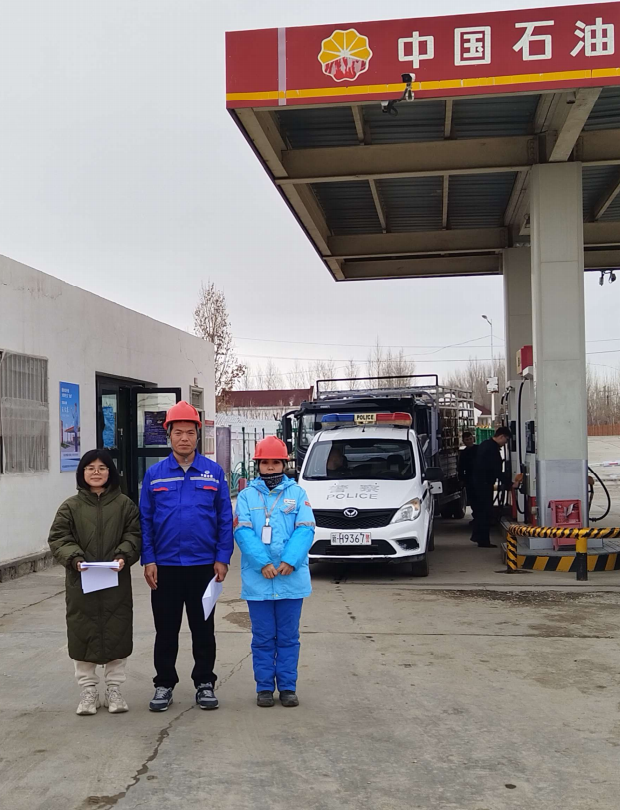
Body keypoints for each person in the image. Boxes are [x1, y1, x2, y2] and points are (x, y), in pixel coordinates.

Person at [140, 401, 233, 713]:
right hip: (165, 567)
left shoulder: (213, 472)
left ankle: (204, 682)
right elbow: (145, 520)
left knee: (203, 629)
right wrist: (148, 559)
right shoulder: (154, 475)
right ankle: (164, 684)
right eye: (178, 432)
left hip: (203, 566)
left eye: (190, 432)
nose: (184, 438)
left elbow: (224, 518)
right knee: (166, 630)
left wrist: (222, 557)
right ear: (168, 435)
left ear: (197, 435)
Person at [48, 449, 141, 716]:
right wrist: (75, 559)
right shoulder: (70, 507)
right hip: (81, 583)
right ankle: (88, 691)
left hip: (115, 582)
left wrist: (123, 555)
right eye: (90, 468)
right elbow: (59, 538)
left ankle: (114, 690)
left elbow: (134, 535)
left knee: (117, 633)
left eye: (102, 467)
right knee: (82, 633)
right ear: (82, 473)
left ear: (110, 473)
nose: (96, 472)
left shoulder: (125, 505)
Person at [234, 436, 315, 708]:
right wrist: (263, 563)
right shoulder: (246, 496)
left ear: (284, 464)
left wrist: (290, 560)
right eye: (264, 462)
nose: (270, 467)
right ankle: (265, 688)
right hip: (259, 580)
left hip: (290, 579)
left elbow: (306, 529)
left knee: (289, 638)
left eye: (275, 462)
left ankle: (288, 687)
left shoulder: (298, 494)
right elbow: (242, 531)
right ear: (257, 465)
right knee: (263, 638)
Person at [469, 426, 512, 548]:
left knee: (480, 511)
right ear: (501, 436)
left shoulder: (485, 444)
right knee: (485, 512)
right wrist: (509, 483)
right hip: (484, 484)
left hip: (478, 483)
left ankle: (477, 536)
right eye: (506, 440)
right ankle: (483, 541)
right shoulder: (492, 449)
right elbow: (495, 470)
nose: (505, 443)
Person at [458, 431, 478, 522]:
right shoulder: (464, 453)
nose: (469, 441)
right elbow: (461, 467)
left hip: (480, 478)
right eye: (467, 440)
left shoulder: (479, 449)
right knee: (472, 499)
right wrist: (461, 479)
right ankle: (476, 517)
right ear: (463, 441)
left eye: (470, 439)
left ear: (473, 439)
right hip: (469, 479)